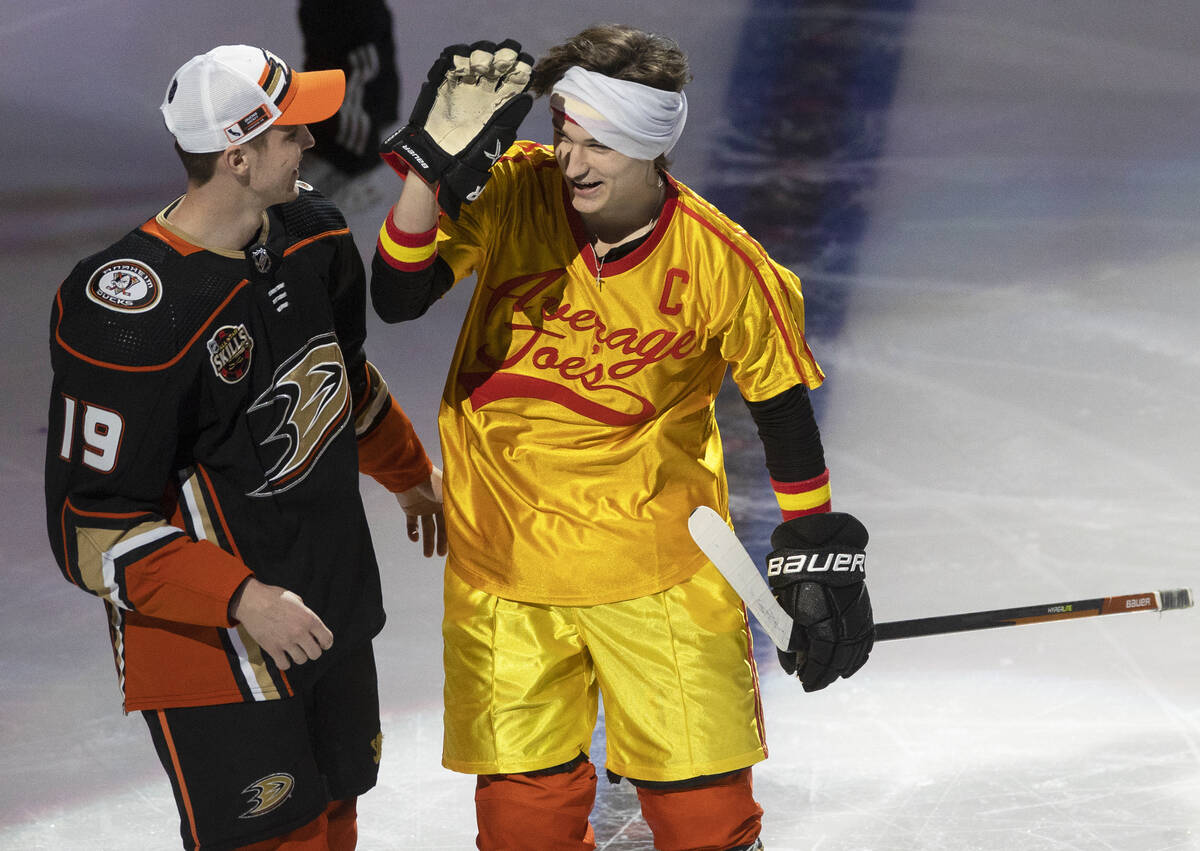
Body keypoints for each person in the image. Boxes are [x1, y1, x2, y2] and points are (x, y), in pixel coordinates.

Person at [370, 26, 874, 850]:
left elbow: (780, 407)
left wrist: (810, 543)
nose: (572, 163)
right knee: (522, 829)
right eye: (565, 135)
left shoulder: (724, 263)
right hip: (506, 574)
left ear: (649, 143)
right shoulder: (517, 189)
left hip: (660, 577)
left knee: (707, 824)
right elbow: (397, 294)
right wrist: (427, 176)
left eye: (598, 143)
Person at [44, 44, 445, 851]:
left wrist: (410, 474)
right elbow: (92, 533)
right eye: (293, 133)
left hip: (329, 600)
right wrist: (240, 596)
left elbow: (339, 381)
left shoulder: (315, 234)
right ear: (238, 154)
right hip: (215, 645)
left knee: (337, 820)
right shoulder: (125, 311)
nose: (311, 146)